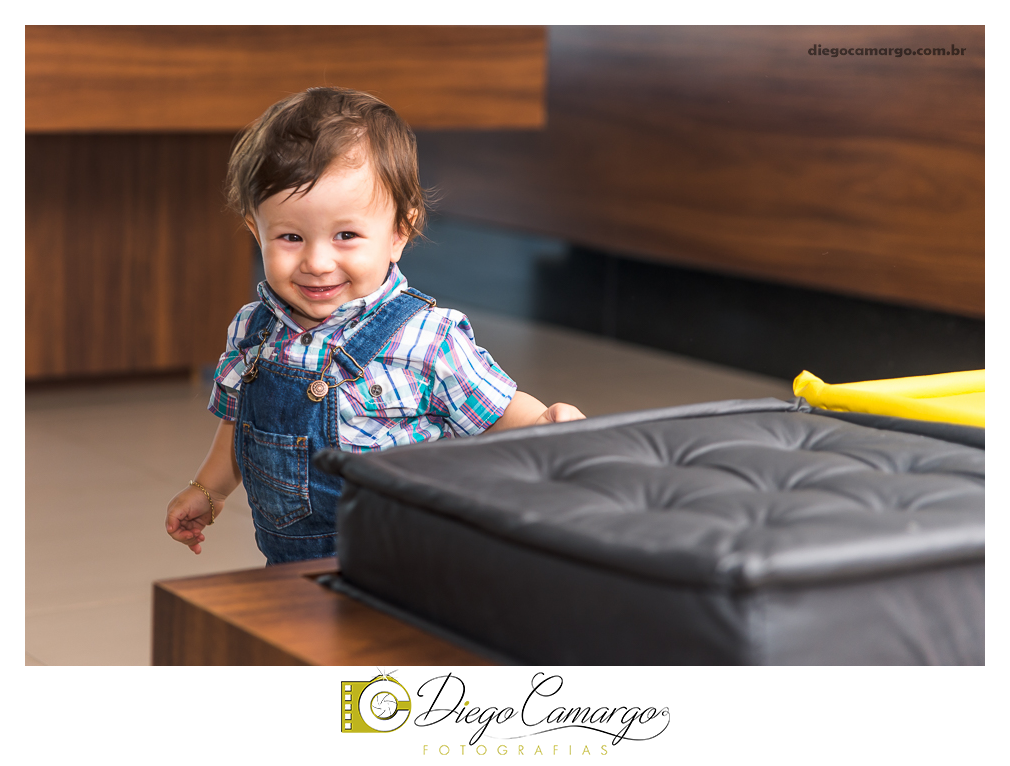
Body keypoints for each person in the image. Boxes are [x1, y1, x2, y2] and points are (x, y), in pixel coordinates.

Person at [165, 87, 585, 565]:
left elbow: (499, 412)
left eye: (346, 236)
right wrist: (209, 489)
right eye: (290, 237)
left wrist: (546, 424)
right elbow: (240, 424)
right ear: (254, 230)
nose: (317, 262)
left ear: (398, 233)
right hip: (290, 569)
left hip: (411, 563)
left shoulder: (427, 338)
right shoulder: (253, 331)